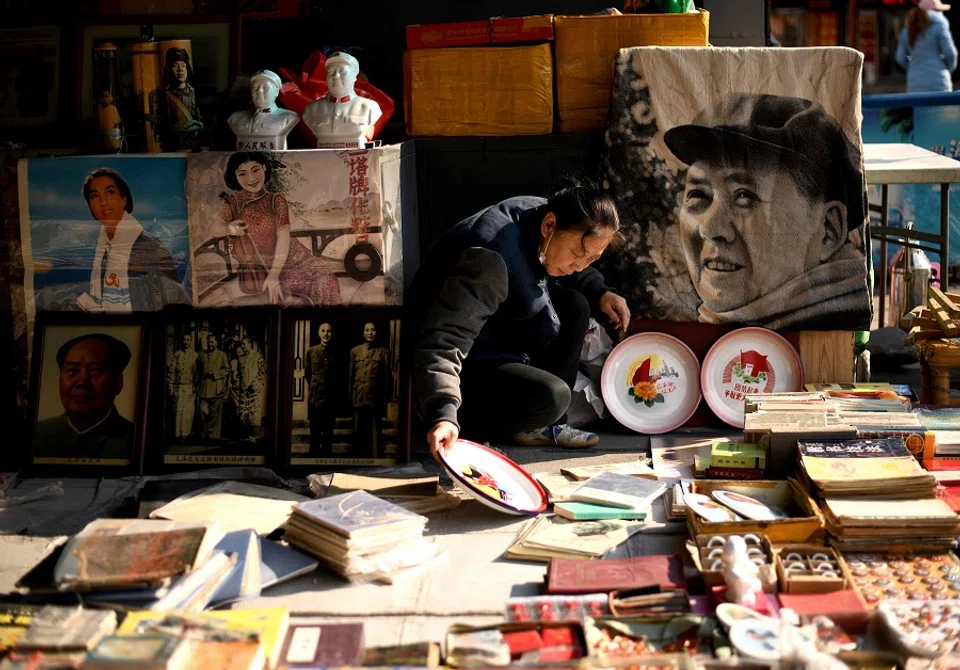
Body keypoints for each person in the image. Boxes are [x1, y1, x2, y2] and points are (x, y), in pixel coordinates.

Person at [408, 177, 630, 458]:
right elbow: (444, 340)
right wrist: (442, 411)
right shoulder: (491, 258)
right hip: (462, 365)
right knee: (552, 397)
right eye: (578, 254)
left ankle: (543, 427)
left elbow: (577, 269)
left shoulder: (547, 213)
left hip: (499, 331)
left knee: (576, 305)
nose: (579, 267)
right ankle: (470, 427)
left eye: (591, 259)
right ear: (549, 226)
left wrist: (600, 292)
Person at [662, 93, 870, 330]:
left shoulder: (830, 330)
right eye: (698, 195)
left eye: (744, 196)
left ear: (828, 231)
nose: (710, 228)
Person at [212, 151, 341, 306]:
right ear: (235, 176)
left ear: (264, 168)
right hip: (259, 268)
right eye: (242, 174)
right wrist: (229, 228)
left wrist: (274, 275)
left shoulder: (276, 200)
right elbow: (213, 228)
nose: (251, 179)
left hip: (290, 259)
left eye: (255, 170)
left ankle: (323, 326)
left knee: (324, 278)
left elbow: (283, 236)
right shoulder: (232, 202)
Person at [81, 168, 188, 312]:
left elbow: (176, 300)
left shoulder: (148, 246)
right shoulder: (101, 247)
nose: (103, 202)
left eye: (109, 192)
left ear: (124, 199)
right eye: (95, 196)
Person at [35, 334, 135, 460]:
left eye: (96, 370)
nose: (82, 382)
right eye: (73, 370)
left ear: (119, 382)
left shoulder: (137, 440)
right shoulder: (35, 435)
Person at [302, 51, 381, 148]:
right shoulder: (312, 109)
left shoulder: (369, 107)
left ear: (354, 77)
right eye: (330, 72)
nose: (335, 76)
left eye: (342, 71)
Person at [227, 69, 299, 151]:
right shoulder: (235, 118)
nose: (259, 91)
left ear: (276, 92)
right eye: (255, 88)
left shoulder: (288, 117)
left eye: (265, 88)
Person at [896, 0, 958, 93]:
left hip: (915, 83)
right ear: (936, 10)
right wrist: (949, 68)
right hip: (938, 82)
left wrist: (914, 66)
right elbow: (950, 53)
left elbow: (900, 58)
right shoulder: (940, 25)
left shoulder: (907, 29)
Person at [348, 322, 388, 457]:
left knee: (375, 431)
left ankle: (376, 460)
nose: (370, 333)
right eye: (367, 330)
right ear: (363, 333)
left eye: (373, 330)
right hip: (358, 396)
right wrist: (351, 396)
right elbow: (351, 376)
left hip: (375, 398)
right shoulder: (355, 351)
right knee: (357, 430)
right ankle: (357, 460)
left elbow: (386, 377)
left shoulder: (383, 352)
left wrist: (384, 399)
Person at [305, 322, 341, 454]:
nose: (326, 334)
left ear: (333, 334)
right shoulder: (311, 351)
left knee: (328, 436)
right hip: (315, 400)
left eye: (329, 331)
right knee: (314, 434)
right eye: (323, 331)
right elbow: (308, 374)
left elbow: (339, 376)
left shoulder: (337, 352)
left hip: (330, 400)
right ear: (319, 333)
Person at [231, 337, 265, 440]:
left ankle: (256, 438)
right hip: (243, 390)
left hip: (255, 390)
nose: (242, 346)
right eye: (241, 344)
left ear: (250, 344)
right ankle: (245, 438)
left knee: (254, 413)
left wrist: (256, 383)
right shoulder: (241, 359)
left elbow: (263, 371)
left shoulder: (258, 356)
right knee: (243, 413)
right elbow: (238, 374)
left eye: (244, 344)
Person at [198, 334, 229, 439]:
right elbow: (197, 371)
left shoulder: (222, 355)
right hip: (203, 388)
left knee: (214, 415)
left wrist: (215, 374)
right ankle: (205, 433)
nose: (210, 344)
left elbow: (227, 370)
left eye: (212, 342)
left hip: (216, 388)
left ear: (217, 343)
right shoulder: (202, 354)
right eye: (208, 342)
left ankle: (212, 436)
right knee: (203, 411)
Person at [169, 332, 198, 442]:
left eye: (188, 340)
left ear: (191, 342)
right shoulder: (177, 354)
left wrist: (195, 387)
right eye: (184, 340)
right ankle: (177, 434)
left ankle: (185, 434)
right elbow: (171, 372)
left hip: (190, 386)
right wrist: (171, 386)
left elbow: (196, 373)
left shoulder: (195, 355)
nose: (186, 342)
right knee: (178, 409)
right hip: (178, 386)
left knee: (188, 410)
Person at [164, 47, 199, 129]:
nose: (180, 70)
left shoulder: (194, 92)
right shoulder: (164, 94)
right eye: (175, 66)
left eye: (183, 66)